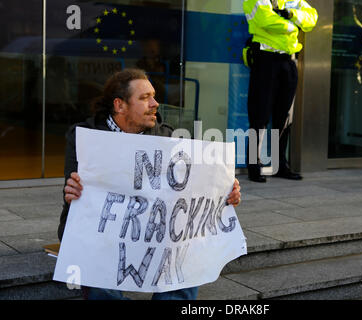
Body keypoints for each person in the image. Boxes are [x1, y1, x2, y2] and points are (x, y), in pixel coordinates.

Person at [57, 68, 242, 300]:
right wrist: (72, 192)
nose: (155, 103)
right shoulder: (85, 137)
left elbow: (193, 185)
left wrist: (224, 189)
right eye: (144, 98)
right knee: (98, 278)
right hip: (102, 233)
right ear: (120, 105)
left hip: (154, 230)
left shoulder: (167, 136)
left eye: (153, 96)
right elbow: (74, 190)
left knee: (185, 264)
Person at [243, 0, 318, 182]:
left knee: (284, 117)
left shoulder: (292, 1)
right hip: (265, 60)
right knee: (259, 115)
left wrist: (292, 15)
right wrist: (293, 26)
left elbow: (312, 18)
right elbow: (266, 21)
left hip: (289, 61)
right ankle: (254, 166)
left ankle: (280, 165)